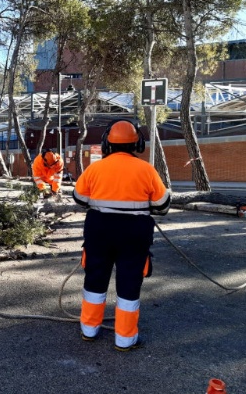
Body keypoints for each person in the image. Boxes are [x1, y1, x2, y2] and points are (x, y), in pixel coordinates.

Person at [72, 120, 170, 352]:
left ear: (107, 143)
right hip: (135, 232)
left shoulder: (95, 169)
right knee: (129, 282)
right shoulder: (146, 169)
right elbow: (163, 205)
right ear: (137, 143)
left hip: (99, 229)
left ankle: (89, 329)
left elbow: (79, 198)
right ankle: (125, 339)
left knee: (95, 278)